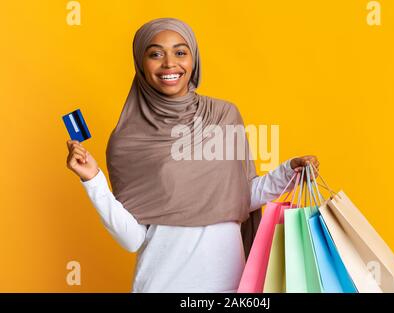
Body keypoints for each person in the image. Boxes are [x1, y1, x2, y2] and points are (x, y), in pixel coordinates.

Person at [65, 17, 319, 292]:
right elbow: (133, 240)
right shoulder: (127, 139)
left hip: (230, 288)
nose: (169, 63)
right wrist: (93, 180)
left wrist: (289, 172)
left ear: (193, 59)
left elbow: (240, 197)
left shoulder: (223, 116)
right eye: (155, 54)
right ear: (141, 63)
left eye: (180, 52)